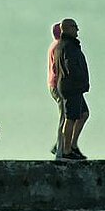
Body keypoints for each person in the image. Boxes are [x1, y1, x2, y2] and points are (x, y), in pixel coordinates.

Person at [53, 17, 90, 160]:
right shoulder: (67, 46)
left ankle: (72, 146)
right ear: (67, 28)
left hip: (73, 86)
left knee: (83, 114)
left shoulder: (67, 45)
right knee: (71, 118)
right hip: (71, 86)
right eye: (75, 27)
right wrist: (78, 79)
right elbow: (71, 66)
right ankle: (66, 150)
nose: (77, 30)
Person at [46, 21, 64, 157]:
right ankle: (59, 151)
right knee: (65, 117)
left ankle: (58, 146)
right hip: (59, 85)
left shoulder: (54, 45)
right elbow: (58, 68)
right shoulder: (59, 47)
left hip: (53, 84)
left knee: (69, 116)